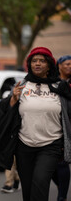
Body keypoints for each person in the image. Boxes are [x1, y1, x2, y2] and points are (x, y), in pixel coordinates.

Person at [0, 47, 71, 201]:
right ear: (30, 64)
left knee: (40, 181)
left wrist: (65, 143)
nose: (37, 64)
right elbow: (0, 114)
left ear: (49, 64)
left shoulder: (60, 87)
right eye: (34, 61)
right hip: (24, 146)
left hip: (51, 145)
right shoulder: (22, 86)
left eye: (42, 61)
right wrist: (12, 100)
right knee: (28, 189)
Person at [51, 55, 71, 201]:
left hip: (68, 126)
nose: (70, 67)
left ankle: (61, 196)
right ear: (59, 66)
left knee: (63, 161)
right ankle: (61, 187)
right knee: (51, 167)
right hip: (54, 124)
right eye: (67, 64)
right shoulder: (53, 83)